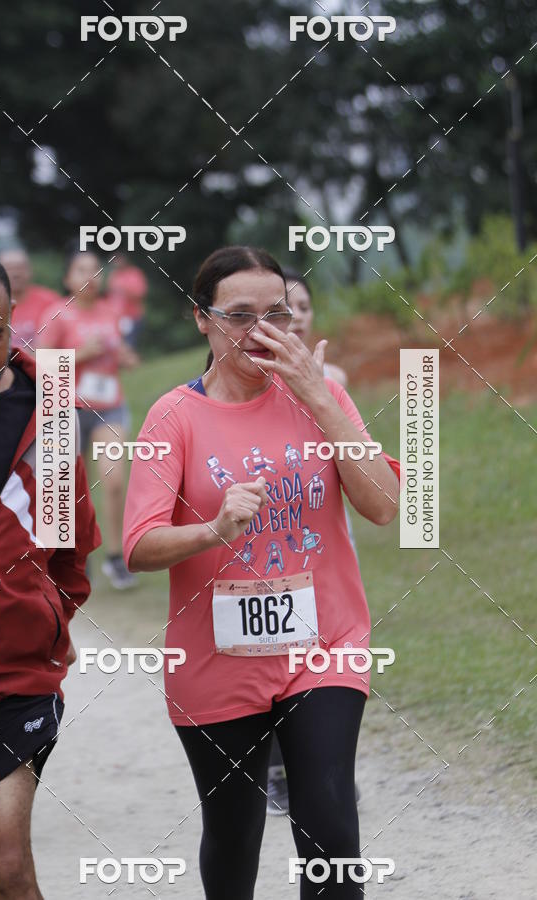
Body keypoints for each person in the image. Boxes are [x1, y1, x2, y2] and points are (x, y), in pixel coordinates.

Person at [123, 246, 400, 899]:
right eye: (238, 316)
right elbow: (138, 544)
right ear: (202, 320)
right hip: (217, 659)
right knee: (233, 836)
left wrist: (316, 396)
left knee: (331, 829)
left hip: (323, 648)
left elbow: (384, 506)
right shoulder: (174, 415)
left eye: (275, 313)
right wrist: (214, 530)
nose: (259, 331)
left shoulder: (322, 396)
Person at [0, 248, 101, 899]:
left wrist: (44, 619)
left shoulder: (52, 414)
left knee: (5, 867)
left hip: (12, 687)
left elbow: (70, 554)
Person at [265, 270, 359, 816]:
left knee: (329, 661)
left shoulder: (335, 379)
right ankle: (277, 768)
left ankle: (331, 771)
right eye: (284, 307)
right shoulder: (236, 380)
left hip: (325, 538)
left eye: (301, 306)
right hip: (268, 546)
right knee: (275, 649)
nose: (293, 316)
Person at [38, 249, 138, 590]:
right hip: (65, 410)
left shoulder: (111, 310)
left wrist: (123, 357)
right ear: (68, 278)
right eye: (81, 270)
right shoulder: (57, 314)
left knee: (113, 482)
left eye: (96, 270)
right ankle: (73, 558)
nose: (90, 277)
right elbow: (41, 365)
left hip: (110, 406)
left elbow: (118, 351)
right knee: (64, 488)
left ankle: (114, 557)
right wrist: (83, 354)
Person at [0, 249, 60, 352]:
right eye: (9, 268)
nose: (15, 274)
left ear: (30, 271)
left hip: (43, 365)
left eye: (20, 268)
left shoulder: (51, 301)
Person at [107, 265, 148, 352]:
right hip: (117, 318)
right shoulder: (114, 275)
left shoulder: (133, 273)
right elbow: (112, 297)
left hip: (132, 316)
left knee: (129, 344)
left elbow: (140, 294)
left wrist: (125, 289)